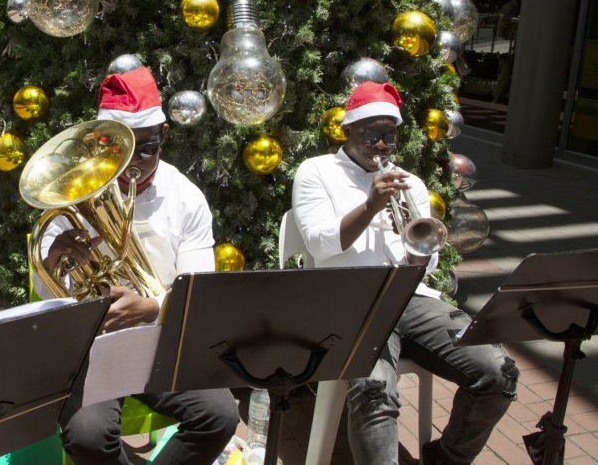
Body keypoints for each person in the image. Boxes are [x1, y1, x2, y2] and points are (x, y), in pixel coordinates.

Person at [291, 81, 517, 465]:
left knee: (499, 372)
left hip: (410, 297)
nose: (381, 145)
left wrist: (416, 250)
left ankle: (445, 458)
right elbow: (318, 243)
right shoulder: (316, 172)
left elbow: (425, 259)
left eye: (389, 135)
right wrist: (371, 205)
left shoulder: (409, 182)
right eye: (371, 134)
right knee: (375, 393)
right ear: (347, 131)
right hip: (350, 301)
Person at [36, 67, 239, 465]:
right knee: (89, 435)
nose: (132, 165)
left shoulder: (186, 197)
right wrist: (51, 260)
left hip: (161, 338)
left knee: (220, 415)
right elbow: (47, 297)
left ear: (164, 135)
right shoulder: (69, 191)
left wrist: (151, 308)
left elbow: (201, 294)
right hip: (91, 347)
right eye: (118, 151)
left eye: (145, 148)